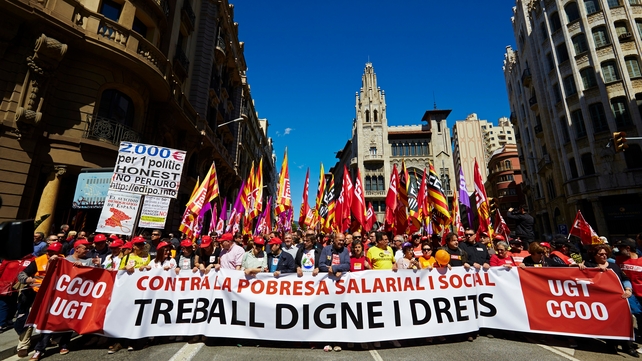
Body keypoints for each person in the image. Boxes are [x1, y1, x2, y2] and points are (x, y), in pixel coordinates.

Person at [581, 244, 638, 357]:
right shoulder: (589, 265)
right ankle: (611, 344)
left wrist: (628, 289)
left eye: (605, 253)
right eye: (600, 254)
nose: (604, 256)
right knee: (609, 323)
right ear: (594, 255)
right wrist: (581, 266)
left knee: (624, 323)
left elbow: (624, 278)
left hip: (618, 300)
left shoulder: (614, 266)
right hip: (602, 301)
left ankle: (628, 346)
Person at [15, 243, 62, 357]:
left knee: (47, 319)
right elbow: (21, 274)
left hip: (52, 296)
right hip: (34, 295)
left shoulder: (64, 262)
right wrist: (27, 280)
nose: (50, 254)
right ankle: (23, 345)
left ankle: (48, 340)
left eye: (53, 252)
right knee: (29, 319)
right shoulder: (39, 260)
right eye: (49, 251)